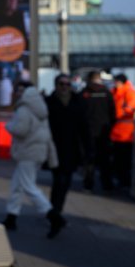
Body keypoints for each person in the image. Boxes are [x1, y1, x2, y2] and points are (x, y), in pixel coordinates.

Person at [2, 81, 66, 238]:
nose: (17, 93)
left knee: (28, 186)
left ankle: (53, 216)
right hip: (38, 151)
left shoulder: (24, 109)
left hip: (27, 152)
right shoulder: (40, 107)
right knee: (17, 184)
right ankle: (11, 217)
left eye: (19, 90)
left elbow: (20, 130)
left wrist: (8, 126)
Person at [45, 74, 85, 223]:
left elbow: (84, 127)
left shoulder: (78, 102)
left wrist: (88, 149)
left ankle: (56, 209)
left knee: (65, 181)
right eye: (62, 84)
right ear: (56, 85)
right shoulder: (49, 102)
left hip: (72, 148)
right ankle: (55, 209)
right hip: (54, 147)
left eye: (68, 84)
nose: (65, 87)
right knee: (58, 180)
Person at [79, 71, 116, 192]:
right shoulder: (106, 93)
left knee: (89, 159)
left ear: (89, 79)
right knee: (105, 159)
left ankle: (88, 184)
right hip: (104, 131)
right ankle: (107, 185)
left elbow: (78, 113)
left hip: (88, 130)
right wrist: (109, 126)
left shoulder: (84, 93)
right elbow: (113, 113)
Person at [110, 74, 135, 190]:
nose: (115, 84)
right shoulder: (115, 92)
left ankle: (124, 181)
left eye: (116, 82)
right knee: (119, 159)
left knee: (125, 160)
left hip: (126, 134)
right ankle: (121, 180)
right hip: (117, 133)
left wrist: (115, 114)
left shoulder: (130, 93)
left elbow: (129, 109)